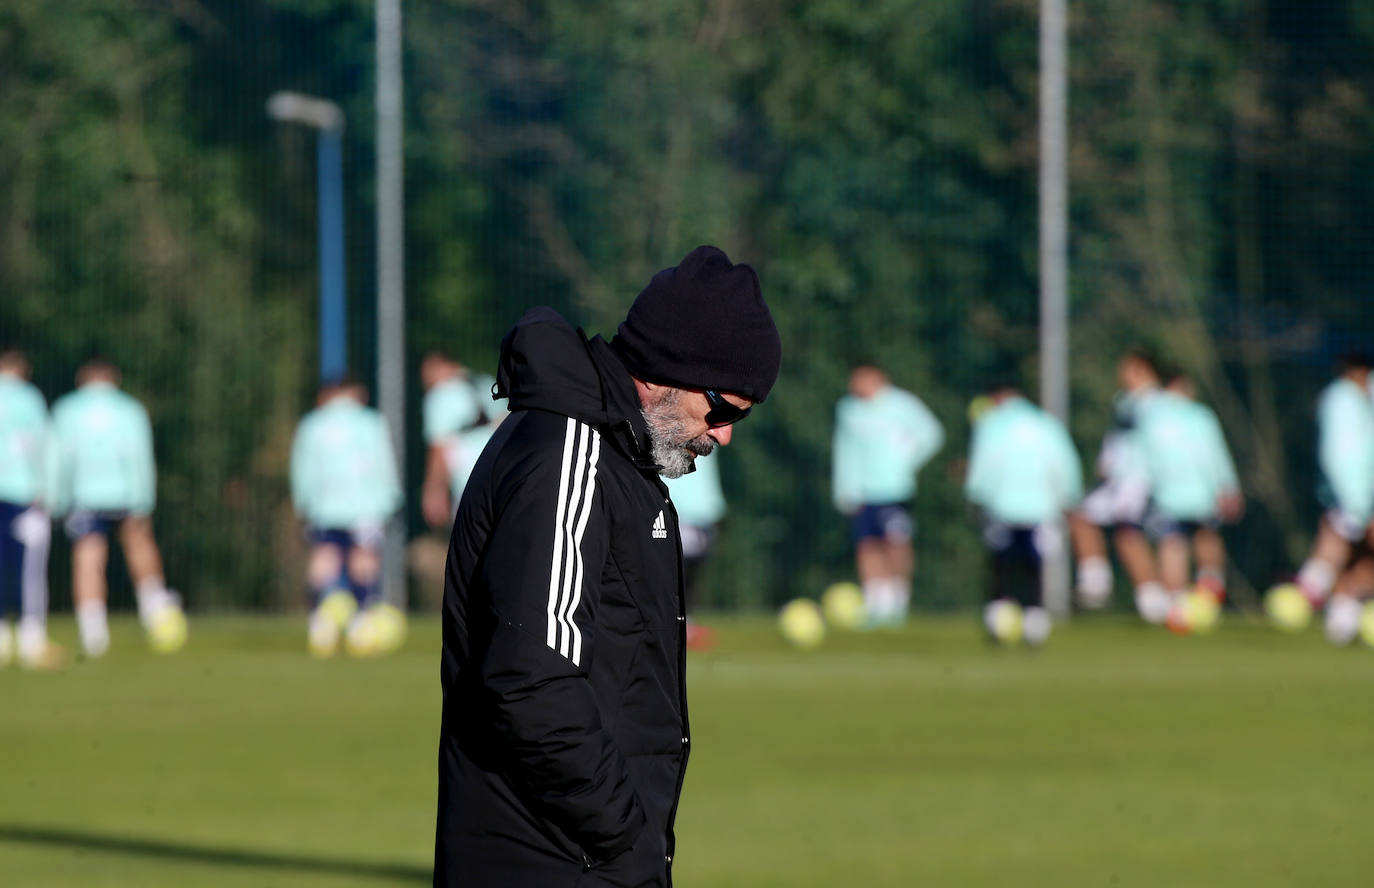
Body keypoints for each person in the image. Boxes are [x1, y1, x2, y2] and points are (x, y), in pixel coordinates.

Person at [433, 245, 781, 887]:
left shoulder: (615, 454)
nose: (726, 434)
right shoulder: (570, 453)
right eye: (724, 410)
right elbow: (531, 680)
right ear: (664, 371)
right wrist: (623, 834)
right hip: (556, 862)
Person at [49, 357, 184, 657]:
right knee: (139, 547)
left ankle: (93, 633)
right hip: (125, 494)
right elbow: (139, 457)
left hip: (83, 496)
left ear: (83, 379)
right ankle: (155, 612)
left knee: (88, 557)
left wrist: (57, 500)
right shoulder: (130, 409)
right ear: (113, 379)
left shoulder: (66, 410)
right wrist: (143, 499)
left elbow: (58, 460)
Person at [289, 378, 403, 657]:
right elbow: (383, 463)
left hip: (325, 505)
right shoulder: (371, 422)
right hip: (366, 505)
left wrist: (302, 502)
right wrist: (391, 498)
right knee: (364, 558)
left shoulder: (312, 424)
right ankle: (361, 620)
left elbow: (302, 468)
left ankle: (321, 621)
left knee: (324, 557)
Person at [964, 384, 1083, 645]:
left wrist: (975, 495)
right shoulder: (1045, 423)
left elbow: (984, 462)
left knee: (1001, 565)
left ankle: (997, 617)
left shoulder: (992, 423)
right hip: (1042, 508)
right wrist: (1068, 497)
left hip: (1001, 506)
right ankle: (1035, 620)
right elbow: (1064, 463)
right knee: (1034, 566)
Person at [831, 363, 944, 627]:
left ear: (877, 377)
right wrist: (844, 489)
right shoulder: (848, 409)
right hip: (861, 490)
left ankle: (898, 600)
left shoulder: (902, 404)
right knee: (867, 545)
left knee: (896, 542)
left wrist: (906, 459)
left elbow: (932, 434)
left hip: (895, 489)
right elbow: (844, 451)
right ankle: (875, 603)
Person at [1071, 348, 1168, 622]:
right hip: (1118, 480)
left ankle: (1102, 585)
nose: (1121, 374)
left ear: (1143, 370)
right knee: (1101, 524)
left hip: (1136, 481)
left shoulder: (1157, 405)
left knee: (1127, 534)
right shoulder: (1126, 402)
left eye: (1127, 368)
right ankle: (1141, 598)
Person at [1136, 371, 1244, 610]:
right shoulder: (1200, 416)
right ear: (1180, 384)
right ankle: (1210, 590)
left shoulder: (1149, 416)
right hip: (1202, 495)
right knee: (1206, 538)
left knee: (1172, 545)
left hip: (1166, 496)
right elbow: (1216, 455)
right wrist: (1228, 487)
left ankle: (1177, 602)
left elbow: (1142, 459)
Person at [1292, 353, 1374, 644]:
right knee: (1336, 551)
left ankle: (1341, 621)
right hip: (1354, 496)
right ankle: (1297, 604)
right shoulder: (1341, 401)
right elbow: (1339, 455)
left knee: (1355, 557)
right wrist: (1355, 502)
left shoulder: (1359, 398)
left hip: (1358, 495)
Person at [0, 350, 64, 669]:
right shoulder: (29, 398)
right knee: (30, 569)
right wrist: (49, 494)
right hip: (23, 494)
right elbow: (44, 446)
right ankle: (31, 639)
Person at [420, 352, 504, 530]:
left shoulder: (441, 395)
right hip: (504, 472)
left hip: (469, 481)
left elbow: (439, 447)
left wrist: (434, 490)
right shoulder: (486, 383)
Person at [663, 448, 727, 651]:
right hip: (680, 505)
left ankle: (683, 623)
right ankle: (674, 625)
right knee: (674, 569)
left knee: (689, 572)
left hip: (700, 507)